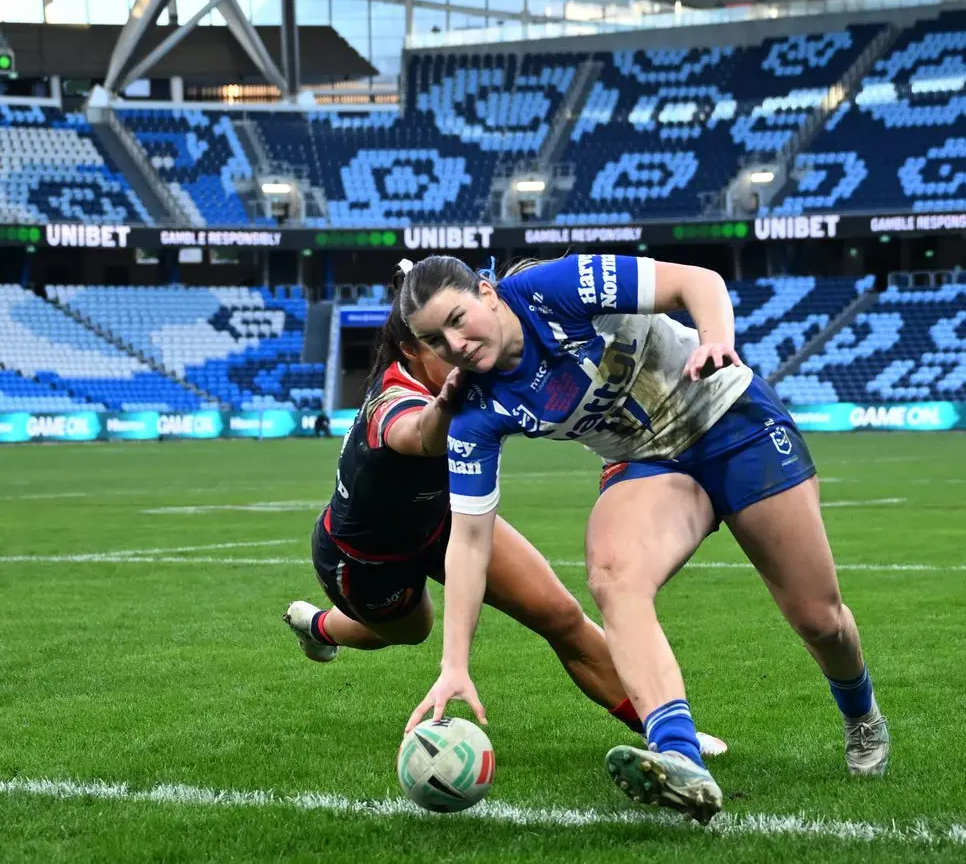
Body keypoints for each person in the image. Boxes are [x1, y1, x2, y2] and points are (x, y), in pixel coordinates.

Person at [398, 253, 888, 825]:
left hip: (729, 420)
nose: (454, 344)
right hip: (647, 462)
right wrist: (453, 664)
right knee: (613, 573)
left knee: (820, 620)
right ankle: (681, 761)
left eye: (457, 319)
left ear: (486, 291)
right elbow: (470, 540)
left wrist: (715, 341)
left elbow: (696, 281)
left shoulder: (551, 289)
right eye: (435, 339)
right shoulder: (473, 409)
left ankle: (862, 716)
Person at [282, 260, 726, 757]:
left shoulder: (478, 372)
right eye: (437, 344)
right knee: (414, 628)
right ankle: (318, 626)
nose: (457, 352)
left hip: (445, 523)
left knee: (560, 614)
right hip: (364, 559)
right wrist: (444, 406)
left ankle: (665, 732)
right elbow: (419, 435)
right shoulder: (393, 398)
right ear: (413, 349)